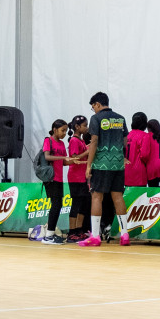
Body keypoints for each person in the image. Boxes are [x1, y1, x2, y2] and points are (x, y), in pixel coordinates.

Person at [81, 92, 132, 247]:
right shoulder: (120, 118)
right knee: (118, 197)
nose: (94, 110)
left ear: (97, 104)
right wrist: (119, 155)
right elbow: (125, 141)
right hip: (118, 164)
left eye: (93, 107)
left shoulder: (96, 118)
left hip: (101, 164)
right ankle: (125, 235)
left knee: (97, 197)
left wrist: (89, 165)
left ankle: (95, 236)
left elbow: (94, 141)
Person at [32, 120, 71, 244]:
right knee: (56, 205)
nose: (64, 133)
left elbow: (64, 162)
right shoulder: (48, 141)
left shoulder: (62, 144)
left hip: (59, 178)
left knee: (58, 205)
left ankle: (50, 234)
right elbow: (47, 156)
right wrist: (63, 157)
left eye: (66, 131)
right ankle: (48, 236)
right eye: (62, 130)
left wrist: (76, 160)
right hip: (51, 178)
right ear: (55, 130)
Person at [65, 115, 92, 241]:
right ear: (77, 127)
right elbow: (74, 158)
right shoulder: (74, 141)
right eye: (85, 125)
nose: (86, 128)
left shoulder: (81, 140)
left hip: (82, 176)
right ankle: (72, 231)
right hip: (75, 177)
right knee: (76, 204)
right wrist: (87, 152)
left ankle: (79, 229)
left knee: (84, 204)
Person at [125, 111, 154, 192]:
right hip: (138, 173)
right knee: (139, 197)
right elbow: (144, 155)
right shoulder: (145, 136)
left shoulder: (127, 135)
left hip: (126, 171)